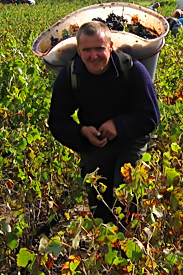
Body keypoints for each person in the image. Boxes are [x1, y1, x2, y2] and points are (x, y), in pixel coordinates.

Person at [48, 21, 160, 225]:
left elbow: (151, 116)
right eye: (87, 50)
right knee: (99, 193)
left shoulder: (133, 70)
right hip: (94, 141)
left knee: (124, 186)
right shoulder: (70, 74)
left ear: (110, 46)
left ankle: (129, 240)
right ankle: (104, 242)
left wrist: (118, 125)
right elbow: (57, 120)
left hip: (131, 139)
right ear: (78, 51)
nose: (94, 56)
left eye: (99, 48)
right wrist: (81, 132)